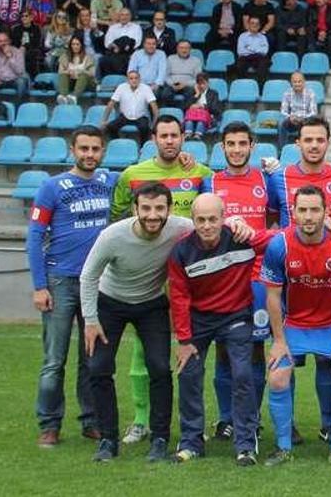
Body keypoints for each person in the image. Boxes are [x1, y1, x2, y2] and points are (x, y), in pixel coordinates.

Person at [81, 183, 196, 462]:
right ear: (135, 209)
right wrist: (91, 320)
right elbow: (88, 277)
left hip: (151, 305)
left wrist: (238, 225)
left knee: (159, 367)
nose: (153, 215)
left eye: (159, 208)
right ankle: (108, 440)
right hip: (110, 303)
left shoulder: (181, 227)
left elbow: (212, 226)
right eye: (146, 208)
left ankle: (159, 438)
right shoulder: (112, 236)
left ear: (169, 209)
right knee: (98, 368)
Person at [259, 185, 331, 466]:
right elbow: (273, 298)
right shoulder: (280, 244)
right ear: (293, 212)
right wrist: (278, 341)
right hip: (295, 326)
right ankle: (283, 447)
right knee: (278, 377)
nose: (308, 216)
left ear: (326, 213)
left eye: (315, 209)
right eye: (302, 210)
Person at [166, 194, 266, 465]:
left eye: (213, 219)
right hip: (199, 320)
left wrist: (323, 223)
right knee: (188, 374)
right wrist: (184, 340)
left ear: (224, 218)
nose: (207, 225)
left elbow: (280, 239)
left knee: (243, 374)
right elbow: (179, 298)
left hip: (235, 316)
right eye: (201, 220)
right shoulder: (181, 251)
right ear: (193, 220)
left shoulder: (241, 238)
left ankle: (245, 443)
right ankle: (191, 442)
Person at [29, 128, 112, 448]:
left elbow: (144, 181)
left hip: (97, 282)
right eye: (84, 148)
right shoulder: (52, 187)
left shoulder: (110, 182)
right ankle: (49, 424)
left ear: (103, 151)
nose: (89, 154)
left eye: (95, 149)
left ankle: (90, 421)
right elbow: (35, 236)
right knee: (54, 359)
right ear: (72, 150)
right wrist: (39, 286)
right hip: (60, 281)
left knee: (91, 357)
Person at [197, 123, 276, 442]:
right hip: (222, 276)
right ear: (222, 147)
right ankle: (226, 418)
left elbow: (277, 223)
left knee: (255, 348)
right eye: (230, 144)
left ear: (252, 146)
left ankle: (252, 417)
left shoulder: (266, 181)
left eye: (243, 143)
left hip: (256, 275)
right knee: (223, 349)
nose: (237, 149)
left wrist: (258, 236)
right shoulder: (210, 181)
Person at [101, 70, 158, 143]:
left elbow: (154, 108)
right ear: (127, 80)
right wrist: (104, 120)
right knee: (110, 127)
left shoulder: (146, 88)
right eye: (131, 78)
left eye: (136, 78)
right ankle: (117, 143)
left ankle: (142, 148)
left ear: (139, 79)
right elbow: (111, 104)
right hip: (124, 117)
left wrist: (154, 124)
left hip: (141, 117)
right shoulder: (121, 87)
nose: (134, 80)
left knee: (145, 128)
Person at [229, 16, 271, 84]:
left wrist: (248, 48)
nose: (255, 25)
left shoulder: (263, 37)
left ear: (259, 26)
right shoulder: (242, 36)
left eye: (257, 24)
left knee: (264, 63)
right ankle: (243, 84)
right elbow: (241, 52)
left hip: (259, 58)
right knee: (239, 64)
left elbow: (264, 51)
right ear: (248, 24)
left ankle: (260, 86)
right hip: (245, 58)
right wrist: (256, 50)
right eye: (252, 23)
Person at [163, 41, 203, 109]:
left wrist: (185, 84)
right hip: (173, 84)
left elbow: (198, 78)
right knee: (165, 93)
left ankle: (183, 111)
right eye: (181, 48)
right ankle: (172, 111)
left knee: (191, 93)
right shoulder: (170, 58)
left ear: (190, 49)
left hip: (188, 86)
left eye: (187, 48)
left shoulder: (196, 61)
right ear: (177, 49)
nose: (184, 50)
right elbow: (166, 75)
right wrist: (172, 84)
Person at [0, 31, 29, 101]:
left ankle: (19, 108)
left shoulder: (18, 52)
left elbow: (20, 71)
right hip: (0, 80)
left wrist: (10, 57)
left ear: (9, 41)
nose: (3, 43)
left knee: (22, 82)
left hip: (15, 80)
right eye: (0, 41)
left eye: (5, 41)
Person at [55, 36, 94, 104]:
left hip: (86, 83)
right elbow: (60, 72)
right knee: (64, 75)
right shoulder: (65, 56)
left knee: (83, 75)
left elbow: (92, 73)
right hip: (72, 82)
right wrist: (68, 72)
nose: (75, 46)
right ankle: (63, 97)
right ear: (70, 45)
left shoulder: (88, 57)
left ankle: (74, 97)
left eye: (77, 44)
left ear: (81, 45)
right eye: (73, 44)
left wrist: (79, 72)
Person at [182, 73, 220, 139]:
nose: (201, 86)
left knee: (201, 121)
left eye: (203, 83)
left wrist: (203, 106)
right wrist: (196, 95)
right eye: (199, 84)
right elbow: (185, 107)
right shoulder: (191, 92)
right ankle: (188, 134)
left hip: (207, 116)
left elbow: (215, 108)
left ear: (208, 83)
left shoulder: (213, 93)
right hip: (192, 116)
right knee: (189, 120)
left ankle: (198, 135)